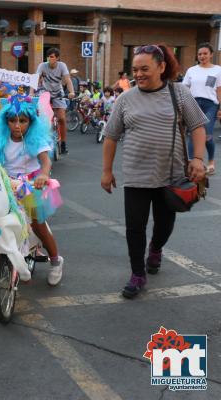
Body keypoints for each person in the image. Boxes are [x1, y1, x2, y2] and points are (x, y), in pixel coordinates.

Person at [101, 44, 207, 299]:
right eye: (135, 69)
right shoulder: (125, 98)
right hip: (136, 175)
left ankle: (156, 248)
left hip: (170, 175)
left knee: (164, 223)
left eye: (144, 69)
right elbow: (111, 136)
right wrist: (107, 171)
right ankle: (138, 274)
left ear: (161, 67)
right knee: (134, 227)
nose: (138, 74)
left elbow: (198, 126)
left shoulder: (178, 93)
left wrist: (199, 159)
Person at [0, 96, 64, 285]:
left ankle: (56, 261)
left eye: (22, 121)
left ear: (31, 121)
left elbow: (45, 161)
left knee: (38, 224)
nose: (17, 125)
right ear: (6, 122)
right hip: (4, 186)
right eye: (12, 120)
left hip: (30, 187)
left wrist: (43, 175)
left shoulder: (34, 140)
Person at [182, 42, 221, 175]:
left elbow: (219, 91)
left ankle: (210, 160)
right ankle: (192, 162)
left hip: (211, 105)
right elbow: (184, 88)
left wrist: (220, 108)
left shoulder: (218, 70)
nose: (202, 56)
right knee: (194, 134)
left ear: (211, 55)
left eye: (205, 53)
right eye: (200, 54)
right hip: (193, 104)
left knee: (207, 135)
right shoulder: (191, 70)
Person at [31, 48, 75, 154]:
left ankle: (63, 144)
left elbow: (68, 80)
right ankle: (45, 141)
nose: (49, 59)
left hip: (58, 94)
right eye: (48, 57)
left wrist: (71, 92)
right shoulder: (42, 66)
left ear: (57, 58)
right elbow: (35, 79)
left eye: (52, 57)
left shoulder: (62, 66)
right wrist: (31, 92)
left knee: (62, 119)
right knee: (45, 120)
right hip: (45, 93)